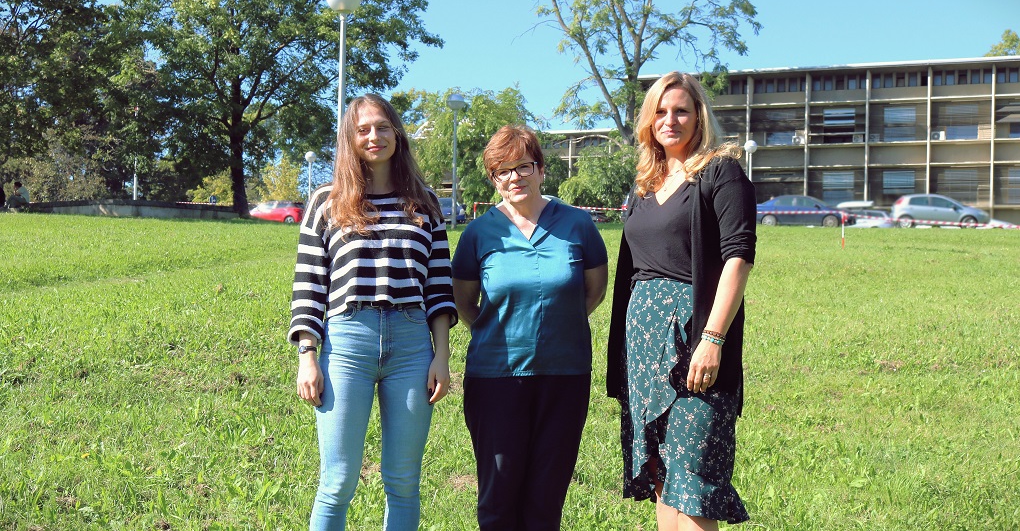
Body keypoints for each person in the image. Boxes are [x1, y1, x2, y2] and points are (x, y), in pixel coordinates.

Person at [288, 93, 457, 530]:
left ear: (397, 134)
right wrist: (308, 356)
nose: (374, 136)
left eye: (382, 127)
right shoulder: (327, 200)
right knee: (337, 482)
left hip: (412, 346)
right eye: (363, 129)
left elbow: (440, 287)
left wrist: (441, 356)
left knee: (403, 481)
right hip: (347, 343)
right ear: (350, 138)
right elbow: (309, 284)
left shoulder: (425, 203)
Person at [606, 72, 757, 531]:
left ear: (699, 117)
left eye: (681, 111)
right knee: (661, 474)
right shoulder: (644, 185)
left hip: (694, 338)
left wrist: (712, 339)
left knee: (694, 484)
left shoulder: (720, 172)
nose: (669, 120)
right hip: (643, 345)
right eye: (660, 111)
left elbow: (739, 258)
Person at [451, 125, 609, 530]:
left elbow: (593, 291)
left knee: (546, 500)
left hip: (565, 375)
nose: (514, 177)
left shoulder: (578, 225)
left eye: (523, 166)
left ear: (541, 170)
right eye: (502, 171)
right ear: (493, 179)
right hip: (495, 378)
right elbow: (464, 301)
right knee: (498, 499)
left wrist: (556, 324)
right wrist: (500, 328)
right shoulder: (478, 233)